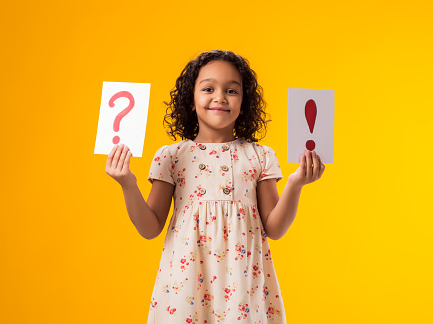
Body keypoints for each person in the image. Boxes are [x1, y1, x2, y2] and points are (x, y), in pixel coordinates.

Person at [105, 50, 325, 323]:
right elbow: (150, 228)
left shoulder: (260, 156)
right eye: (208, 88)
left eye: (231, 90)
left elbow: (276, 228)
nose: (220, 97)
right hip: (185, 287)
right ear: (191, 100)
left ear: (244, 102)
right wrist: (127, 183)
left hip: (243, 287)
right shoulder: (171, 156)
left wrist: (296, 184)